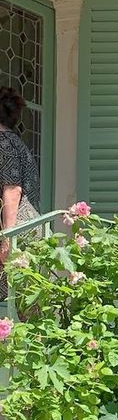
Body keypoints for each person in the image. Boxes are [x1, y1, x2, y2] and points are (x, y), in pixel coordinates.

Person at [0, 88, 40, 295]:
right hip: (28, 230)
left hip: (18, 231)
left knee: (20, 302)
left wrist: (8, 238)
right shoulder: (15, 142)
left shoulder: (3, 143)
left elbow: (13, 189)